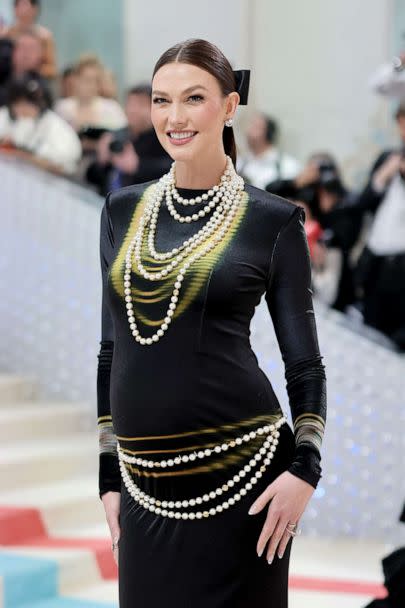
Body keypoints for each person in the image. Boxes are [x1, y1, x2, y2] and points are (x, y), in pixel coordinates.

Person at [97, 39, 326, 608]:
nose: (174, 118)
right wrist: (107, 471)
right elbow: (111, 349)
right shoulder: (122, 211)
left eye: (193, 98)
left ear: (228, 107)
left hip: (246, 481)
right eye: (161, 100)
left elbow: (305, 365)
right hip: (143, 489)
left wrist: (305, 469)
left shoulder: (273, 221)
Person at [354, 104, 405, 350]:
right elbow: (363, 203)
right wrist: (383, 177)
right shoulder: (389, 157)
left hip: (402, 268)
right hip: (375, 262)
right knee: (368, 335)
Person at [86, 84, 172, 195]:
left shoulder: (165, 139)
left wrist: (138, 166)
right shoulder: (117, 135)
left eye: (140, 105)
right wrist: (101, 161)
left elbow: (173, 170)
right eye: (130, 104)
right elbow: (92, 178)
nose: (133, 110)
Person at [0, 74, 81, 175]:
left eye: (29, 103)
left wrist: (22, 155)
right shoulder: (5, 115)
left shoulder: (55, 126)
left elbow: (63, 164)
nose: (23, 109)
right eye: (19, 103)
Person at [54, 56, 127, 134]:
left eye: (96, 80)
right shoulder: (62, 108)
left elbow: (123, 134)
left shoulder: (112, 108)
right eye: (87, 80)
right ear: (76, 79)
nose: (92, 86)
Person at [238, 112, 300, 190]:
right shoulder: (239, 163)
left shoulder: (287, 166)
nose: (249, 132)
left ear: (268, 134)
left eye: (256, 127)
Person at [1, 0, 57, 80]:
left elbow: (52, 69)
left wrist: (33, 69)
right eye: (18, 6)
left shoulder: (44, 37)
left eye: (25, 6)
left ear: (35, 9)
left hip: (35, 81)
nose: (22, 10)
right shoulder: (6, 35)